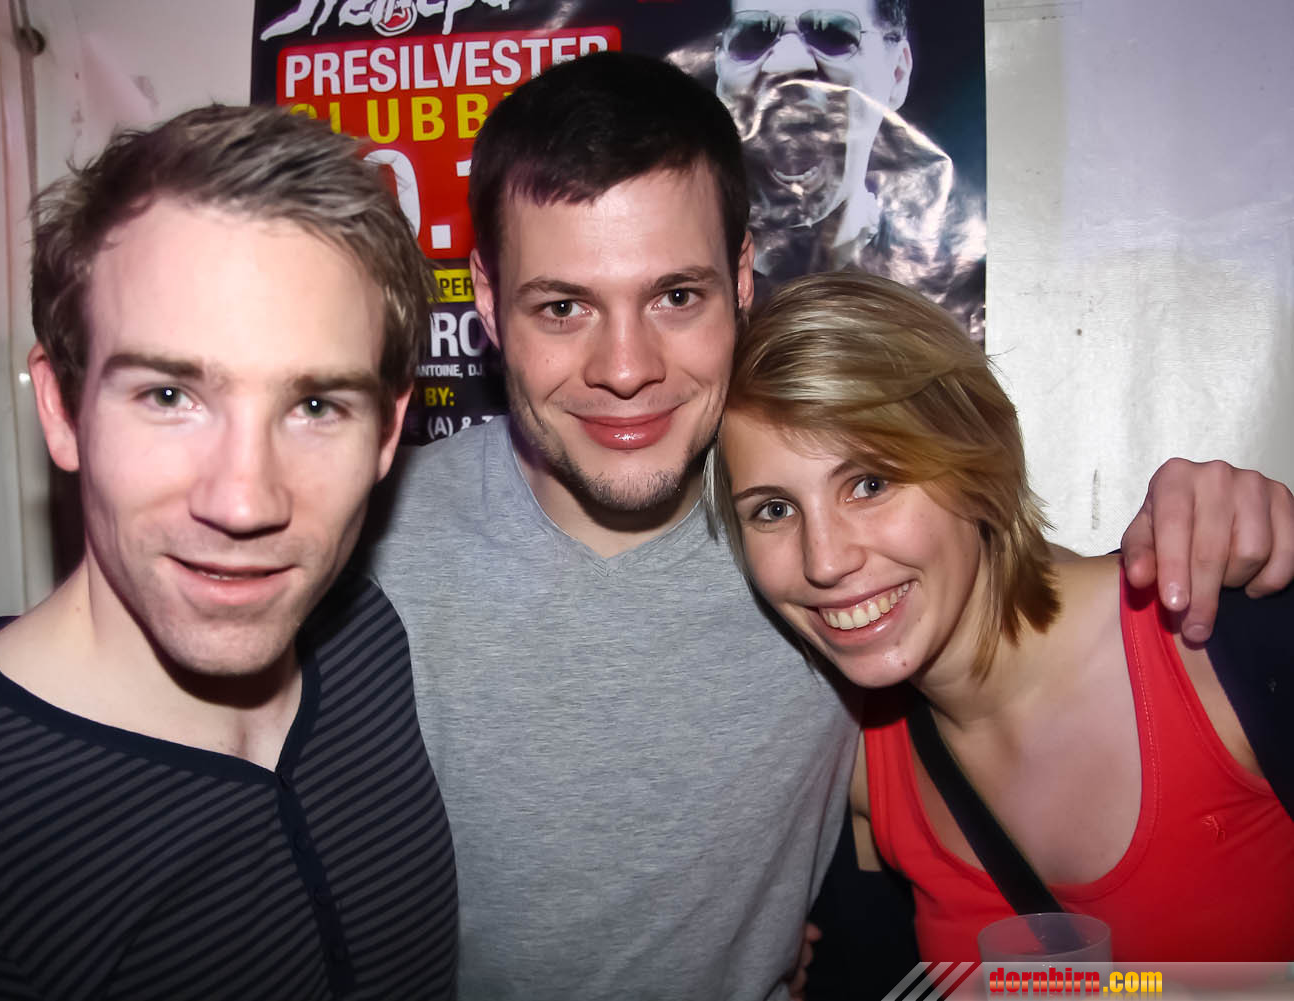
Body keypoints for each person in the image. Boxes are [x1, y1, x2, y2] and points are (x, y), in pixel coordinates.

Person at [357, 51, 1294, 1000]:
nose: (627, 367)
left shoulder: (828, 589)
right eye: (563, 307)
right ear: (485, 299)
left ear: (741, 277)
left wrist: (1225, 518)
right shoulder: (364, 559)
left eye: (676, 296)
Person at [0, 106, 458, 999]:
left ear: (385, 432)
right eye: (169, 395)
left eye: (315, 406)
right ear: (62, 409)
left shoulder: (362, 638)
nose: (244, 502)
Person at [709, 271, 1294, 962]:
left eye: (870, 483)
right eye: (774, 509)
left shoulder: (1218, 640)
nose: (826, 560)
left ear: (978, 465)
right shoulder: (860, 763)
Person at [713, 0, 985, 338]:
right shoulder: (685, 276)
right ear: (719, 67)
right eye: (754, 36)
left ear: (897, 73)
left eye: (832, 34)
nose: (787, 63)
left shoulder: (958, 297)